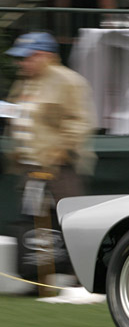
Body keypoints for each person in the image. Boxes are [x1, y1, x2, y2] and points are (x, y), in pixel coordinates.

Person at [4, 31, 95, 285]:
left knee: (71, 222)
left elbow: (79, 121)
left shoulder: (69, 81)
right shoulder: (25, 82)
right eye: (20, 59)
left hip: (60, 167)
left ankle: (81, 280)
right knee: (36, 225)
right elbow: (18, 112)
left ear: (44, 56)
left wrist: (61, 152)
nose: (22, 64)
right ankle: (41, 277)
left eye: (27, 58)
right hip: (31, 166)